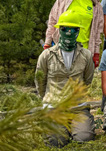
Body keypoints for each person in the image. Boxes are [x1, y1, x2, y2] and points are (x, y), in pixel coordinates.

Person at [35, 10, 95, 147]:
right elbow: (40, 81)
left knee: (84, 138)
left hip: (78, 107)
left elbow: (87, 80)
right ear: (59, 30)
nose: (69, 33)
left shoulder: (86, 55)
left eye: (74, 29)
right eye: (65, 29)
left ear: (78, 31)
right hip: (53, 107)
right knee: (56, 141)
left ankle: (76, 126)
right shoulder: (46, 55)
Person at [44, 0, 104, 68]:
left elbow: (98, 31)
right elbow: (53, 21)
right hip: (61, 48)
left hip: (84, 50)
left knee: (79, 83)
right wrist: (47, 43)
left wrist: (96, 53)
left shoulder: (96, 4)